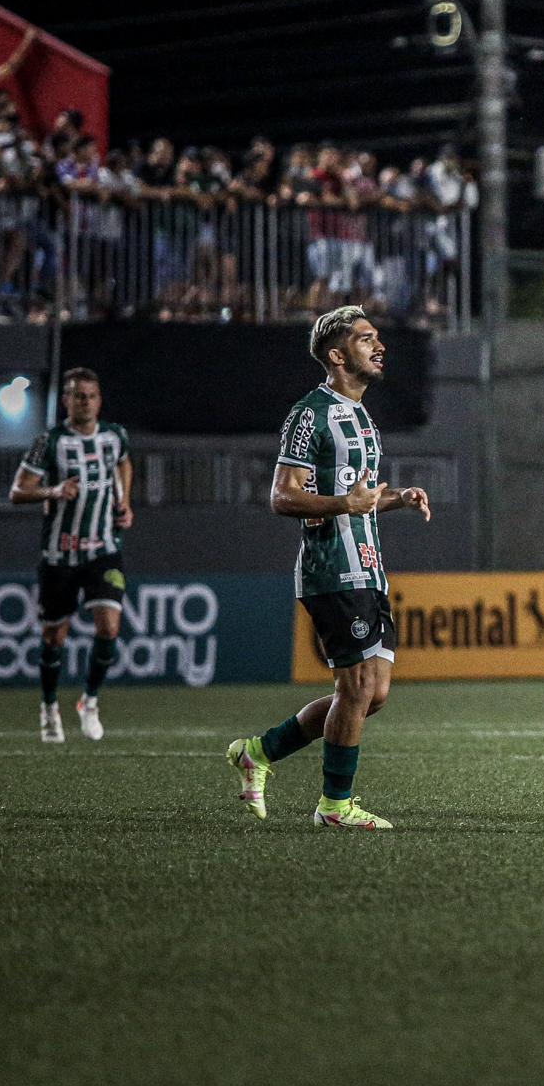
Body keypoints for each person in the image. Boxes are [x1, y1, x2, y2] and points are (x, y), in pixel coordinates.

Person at [226, 307, 432, 828]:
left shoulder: (363, 415)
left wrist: (396, 498)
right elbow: (282, 496)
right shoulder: (309, 414)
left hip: (369, 566)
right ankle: (334, 806)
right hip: (331, 568)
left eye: (378, 338)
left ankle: (260, 751)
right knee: (358, 687)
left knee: (372, 694)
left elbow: (357, 495)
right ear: (338, 356)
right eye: (366, 340)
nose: (379, 346)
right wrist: (347, 505)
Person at [10, 367, 133, 743]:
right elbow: (17, 491)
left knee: (109, 627)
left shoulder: (114, 436)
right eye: (79, 396)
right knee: (53, 638)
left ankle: (89, 702)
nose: (86, 402)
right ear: (66, 400)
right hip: (59, 555)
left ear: (99, 399)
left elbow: (124, 463)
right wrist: (52, 491)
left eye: (92, 396)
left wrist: (124, 499)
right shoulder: (49, 442)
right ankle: (49, 709)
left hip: (103, 549)